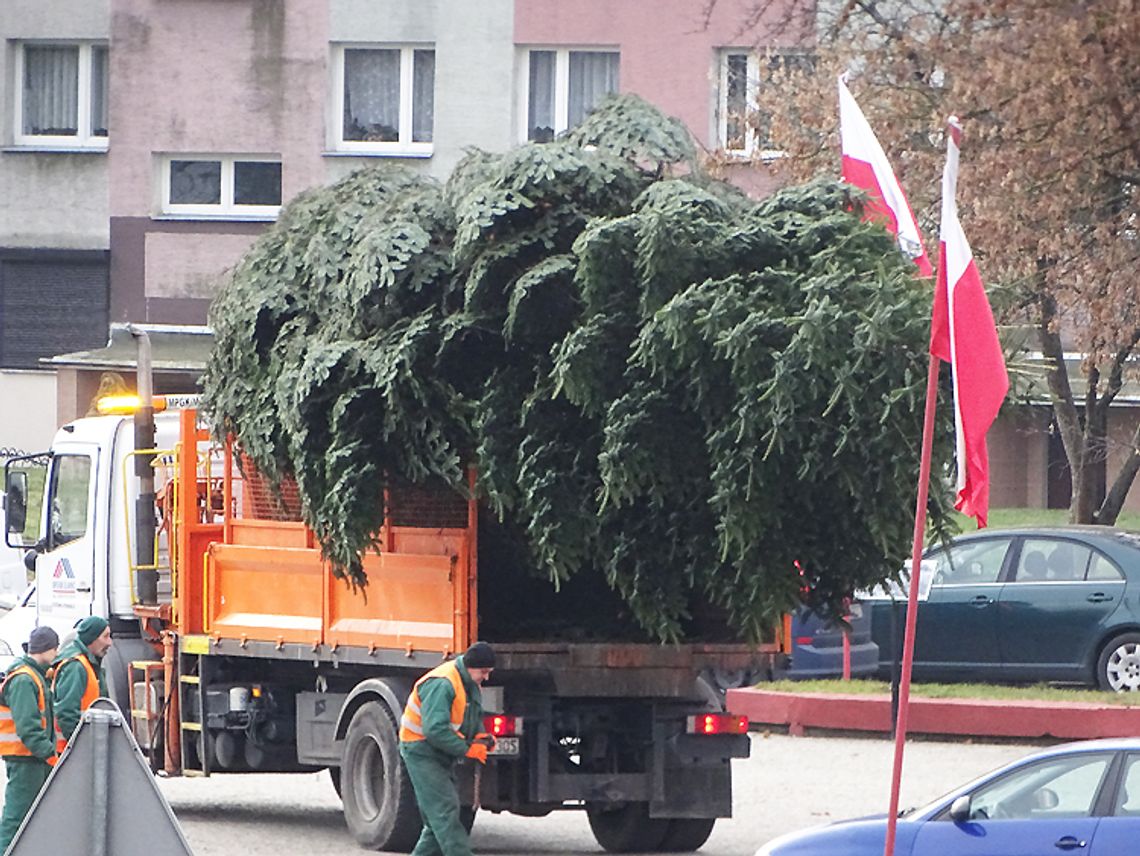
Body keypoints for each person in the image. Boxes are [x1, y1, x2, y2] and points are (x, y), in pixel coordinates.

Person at [399, 641, 497, 856]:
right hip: (421, 751)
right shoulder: (443, 684)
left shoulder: (468, 682)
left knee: (437, 823)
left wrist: (479, 735)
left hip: (437, 751)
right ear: (470, 666)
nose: (486, 677)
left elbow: (470, 715)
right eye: (484, 672)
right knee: (445, 812)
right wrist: (467, 749)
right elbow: (435, 731)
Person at [0, 626, 60, 853]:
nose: (56, 653)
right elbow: (28, 727)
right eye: (54, 648)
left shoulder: (32, 676)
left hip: (30, 758)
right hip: (27, 759)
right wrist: (49, 754)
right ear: (45, 649)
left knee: (29, 817)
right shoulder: (25, 679)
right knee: (17, 818)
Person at [52, 616, 113, 750]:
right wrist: (79, 748)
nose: (110, 642)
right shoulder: (75, 667)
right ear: (91, 639)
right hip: (69, 752)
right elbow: (66, 713)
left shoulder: (86, 664)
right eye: (106, 636)